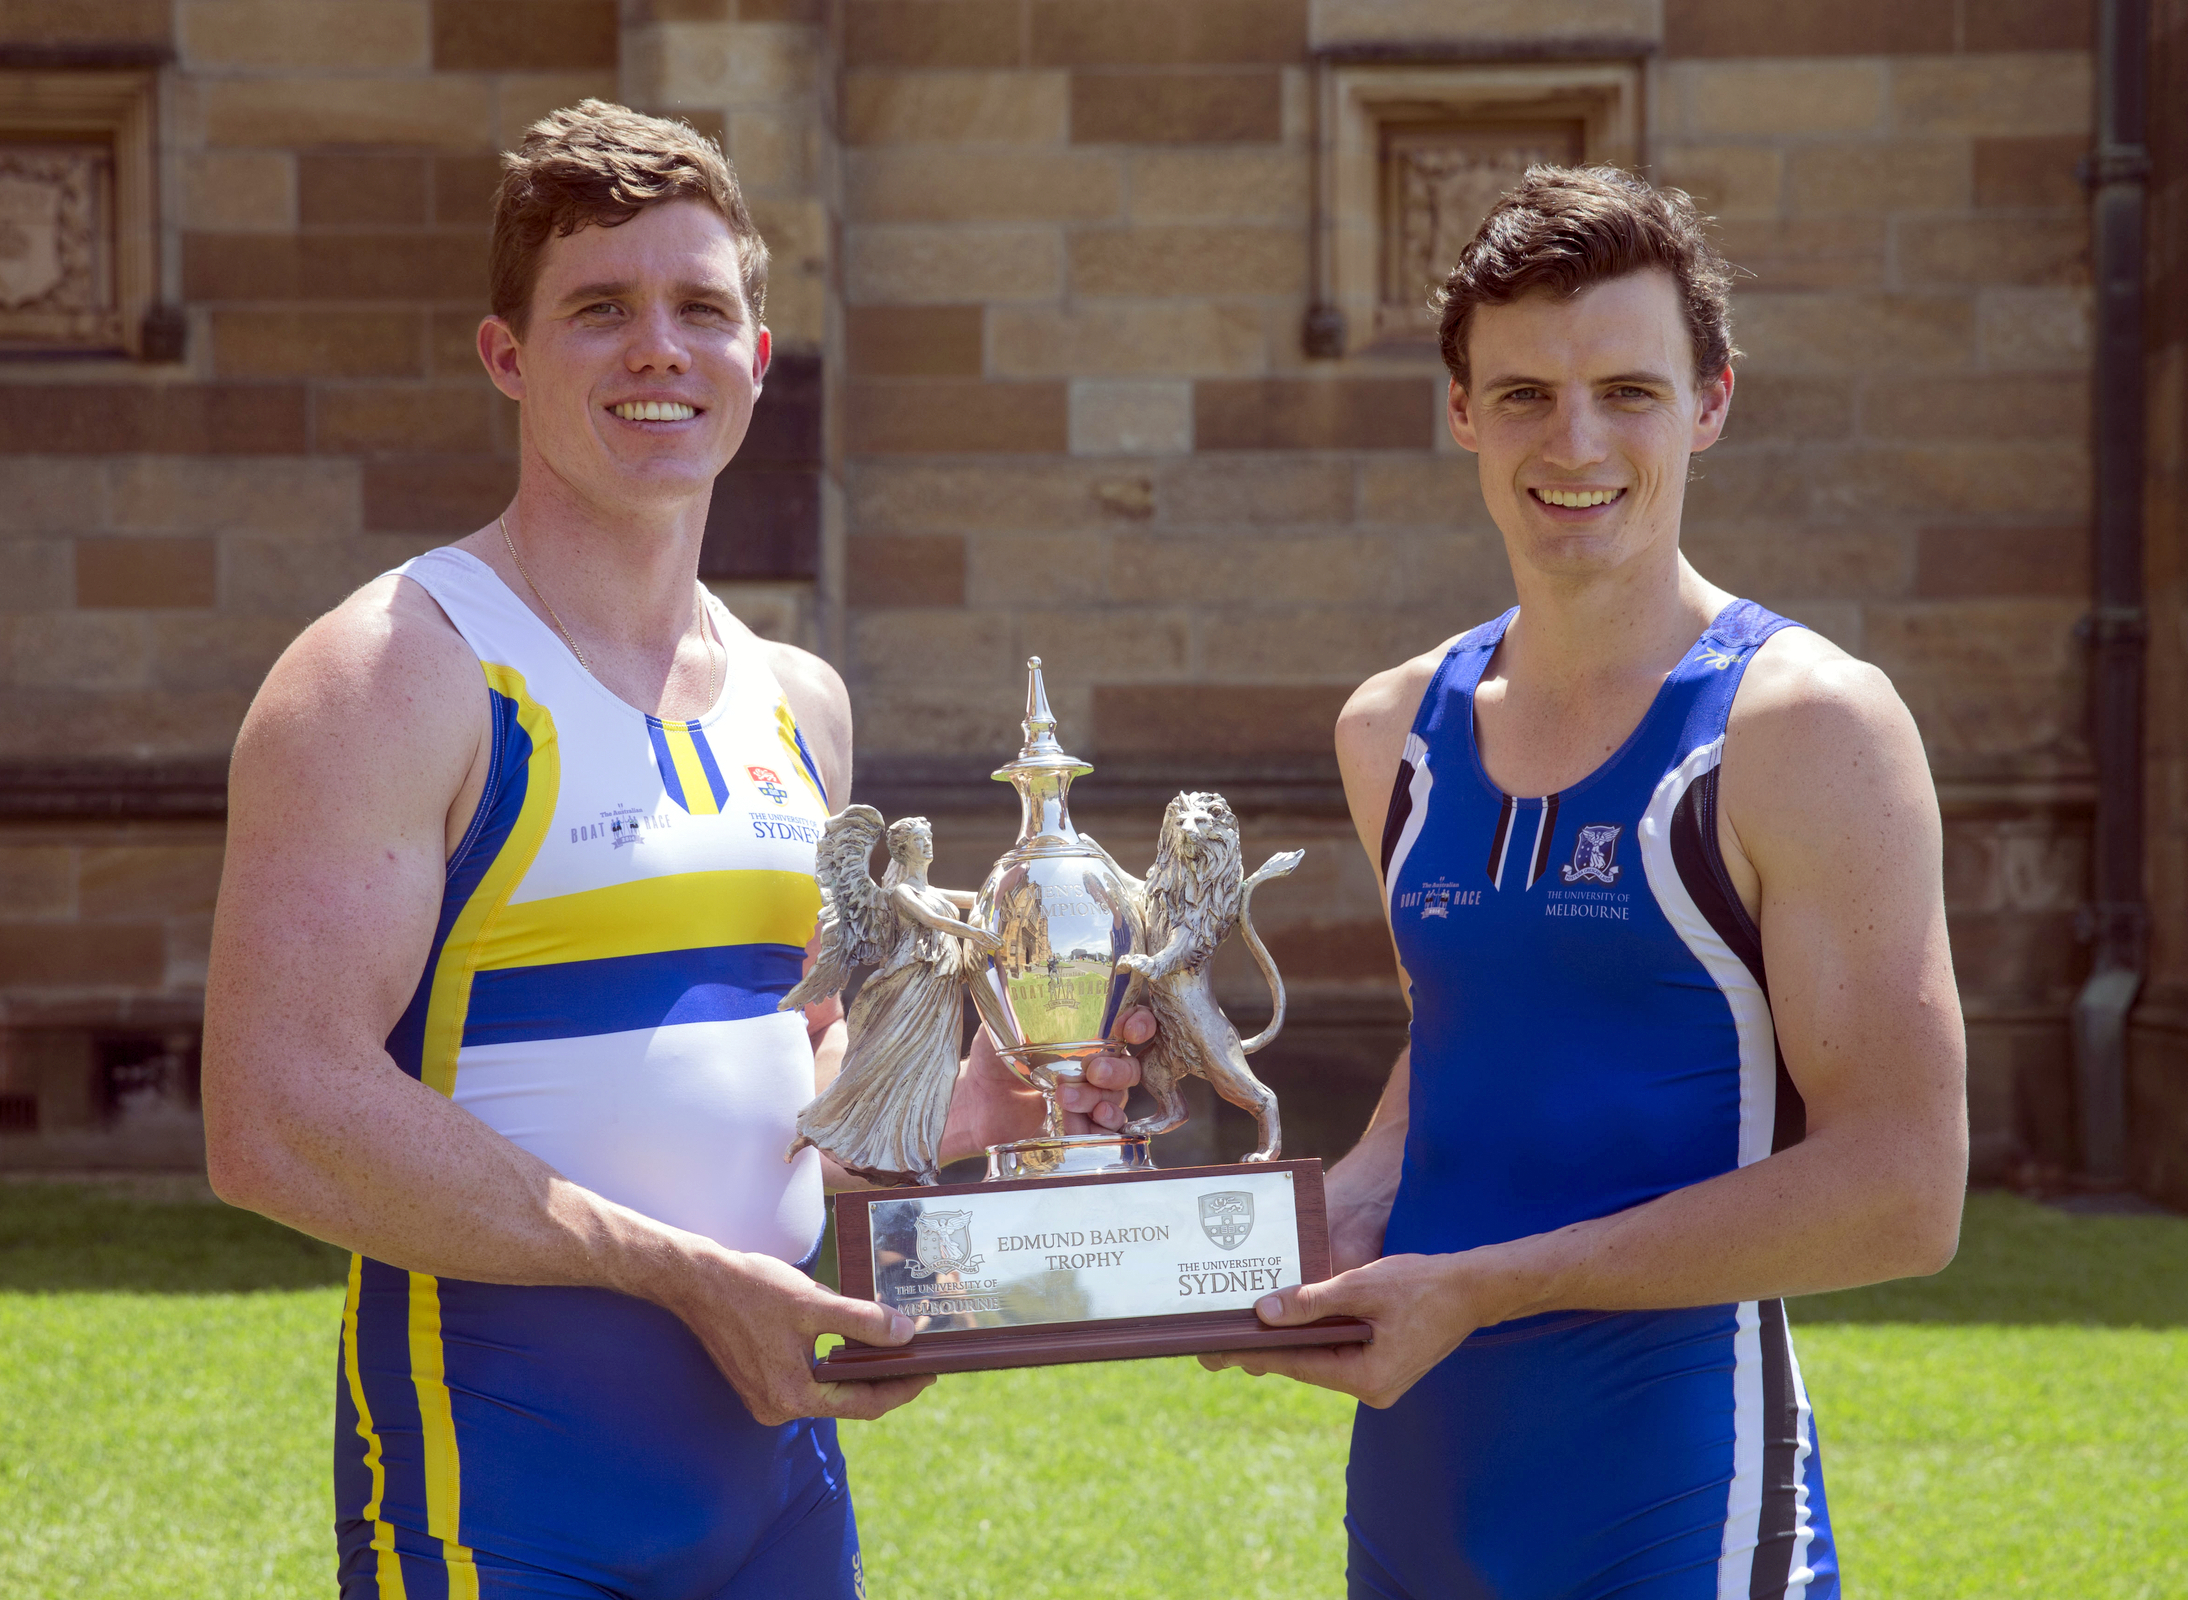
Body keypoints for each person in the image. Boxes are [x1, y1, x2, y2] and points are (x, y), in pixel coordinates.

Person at [199, 101, 1136, 1600]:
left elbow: (788, 1067)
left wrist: (969, 1104)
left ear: (756, 360)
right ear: (509, 358)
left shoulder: (799, 701)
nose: (660, 349)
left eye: (703, 308)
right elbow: (274, 1115)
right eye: (601, 311)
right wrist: (670, 1271)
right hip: (503, 1481)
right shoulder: (398, 669)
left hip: (777, 1478)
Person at [1202, 167, 1969, 1599]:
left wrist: (1491, 1283)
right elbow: (1481, 1027)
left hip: (1682, 1504)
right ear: (1458, 412)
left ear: (1712, 401)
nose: (1576, 442)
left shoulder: (1802, 725)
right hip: (1420, 1493)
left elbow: (1904, 1193)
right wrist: (1342, 1205)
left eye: (1629, 390)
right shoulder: (1394, 729)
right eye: (1522, 396)